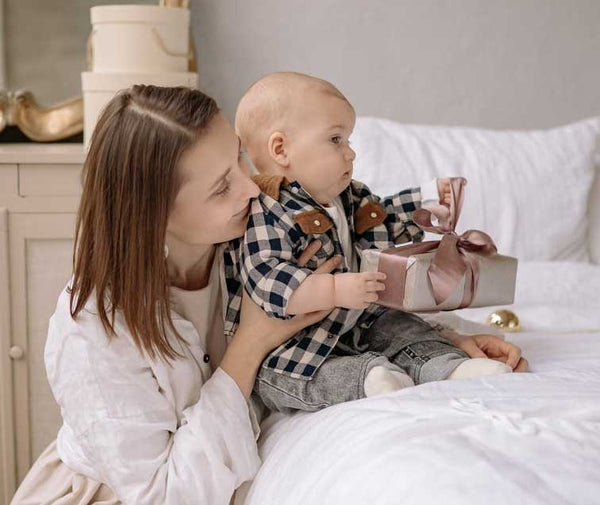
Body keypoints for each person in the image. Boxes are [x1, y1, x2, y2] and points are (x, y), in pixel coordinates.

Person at [11, 84, 524, 505]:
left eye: (238, 160)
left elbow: (343, 312)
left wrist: (441, 346)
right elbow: (166, 495)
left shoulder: (251, 239)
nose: (252, 188)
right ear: (152, 216)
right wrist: (251, 343)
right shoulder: (96, 328)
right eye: (220, 188)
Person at [231, 72, 527, 413]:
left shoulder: (348, 196)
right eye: (336, 140)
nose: (350, 153)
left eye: (349, 141)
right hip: (295, 342)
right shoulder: (270, 210)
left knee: (402, 328)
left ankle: (447, 366)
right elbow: (268, 278)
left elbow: (383, 218)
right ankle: (368, 379)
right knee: (283, 379)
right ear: (281, 149)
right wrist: (335, 290)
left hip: (360, 319)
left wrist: (428, 201)